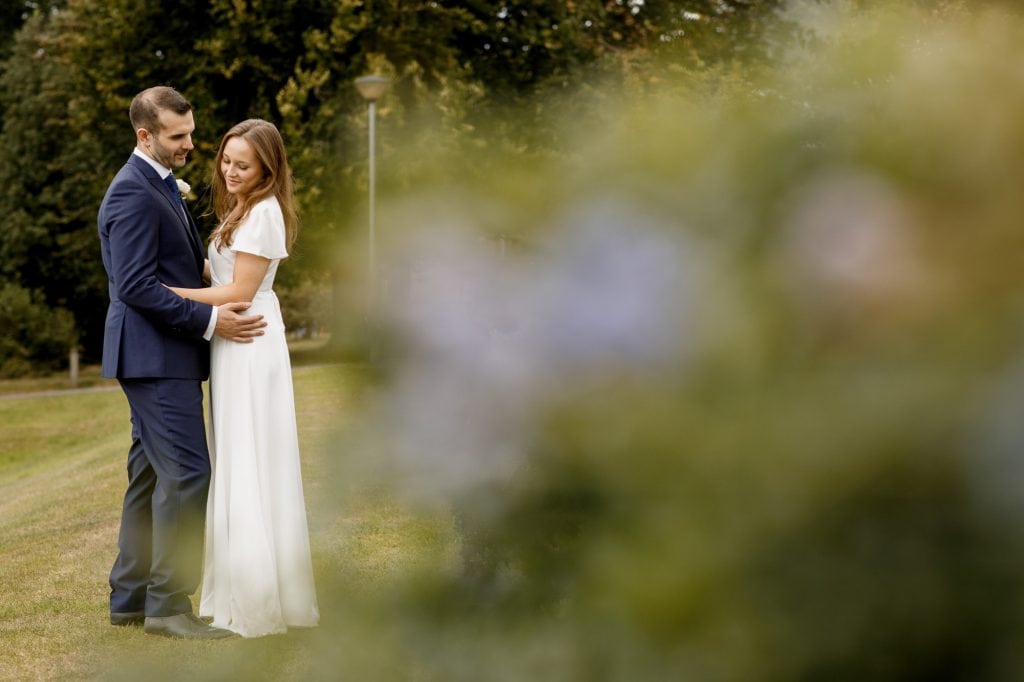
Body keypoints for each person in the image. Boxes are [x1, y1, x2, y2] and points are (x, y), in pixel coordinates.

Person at [98, 86, 267, 639]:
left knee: (149, 476)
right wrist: (213, 321)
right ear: (144, 135)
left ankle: (130, 596)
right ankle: (168, 605)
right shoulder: (132, 192)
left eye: (191, 133)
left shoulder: (159, 184)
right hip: (154, 355)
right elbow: (137, 287)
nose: (191, 144)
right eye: (178, 136)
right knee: (189, 476)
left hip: (161, 354)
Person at [166, 118, 320, 637]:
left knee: (252, 456)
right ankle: (237, 585)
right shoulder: (242, 208)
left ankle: (258, 596)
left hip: (250, 340)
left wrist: (166, 294)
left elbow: (240, 292)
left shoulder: (265, 213)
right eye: (227, 161)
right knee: (236, 454)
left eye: (243, 165)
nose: (230, 171)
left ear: (267, 169)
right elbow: (223, 277)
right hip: (231, 342)